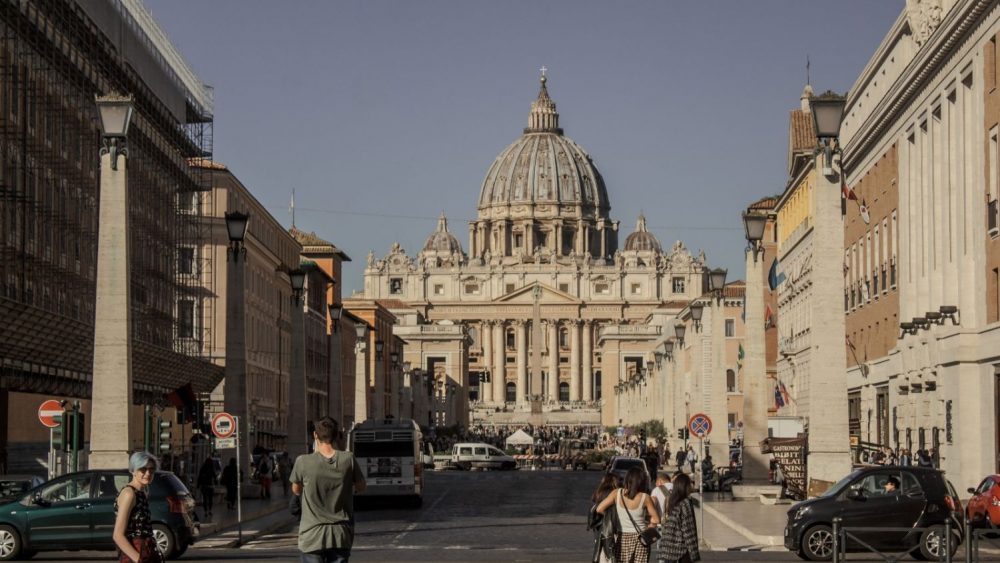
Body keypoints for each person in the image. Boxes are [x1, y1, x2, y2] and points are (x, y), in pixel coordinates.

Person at [291, 417, 366, 563]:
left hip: (311, 534)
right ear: (337, 435)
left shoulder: (303, 461)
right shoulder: (348, 459)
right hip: (340, 534)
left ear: (315, 435)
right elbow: (361, 486)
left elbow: (296, 490)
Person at [595, 467, 660, 563]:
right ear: (642, 482)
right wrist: (649, 525)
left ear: (627, 479)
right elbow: (656, 519)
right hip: (641, 539)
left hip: (622, 538)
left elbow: (599, 509)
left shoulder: (617, 493)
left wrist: (615, 518)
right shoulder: (645, 497)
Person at [113, 452, 163, 563]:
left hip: (145, 551)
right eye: (143, 469)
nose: (148, 473)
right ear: (133, 471)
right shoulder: (129, 494)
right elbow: (118, 535)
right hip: (135, 554)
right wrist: (139, 559)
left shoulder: (140, 493)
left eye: (151, 469)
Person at [658, 473, 701, 563]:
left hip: (667, 549)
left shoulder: (671, 501)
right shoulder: (685, 502)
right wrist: (694, 554)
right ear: (685, 486)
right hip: (681, 551)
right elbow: (688, 530)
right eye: (690, 483)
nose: (692, 485)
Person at [589, 473, 622, 563]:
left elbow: (595, 508)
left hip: (598, 528)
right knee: (611, 553)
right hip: (611, 527)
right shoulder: (613, 492)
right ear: (613, 481)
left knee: (601, 551)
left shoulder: (598, 492)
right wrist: (610, 516)